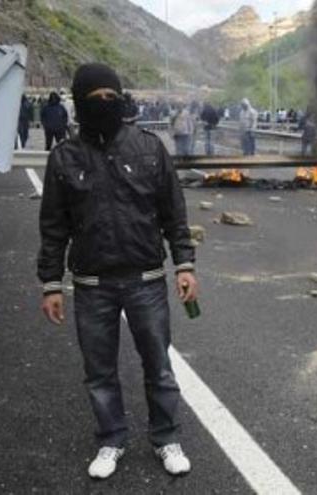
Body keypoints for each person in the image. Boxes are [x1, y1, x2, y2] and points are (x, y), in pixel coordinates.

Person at [37, 63, 198, 480]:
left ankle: (166, 438)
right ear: (78, 102)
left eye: (111, 96)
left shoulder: (149, 148)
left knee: (159, 366)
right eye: (94, 98)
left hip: (146, 279)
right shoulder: (64, 157)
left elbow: (173, 214)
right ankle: (111, 440)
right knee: (99, 372)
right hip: (92, 285)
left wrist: (184, 264)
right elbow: (53, 227)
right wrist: (51, 283)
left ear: (121, 98)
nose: (104, 104)